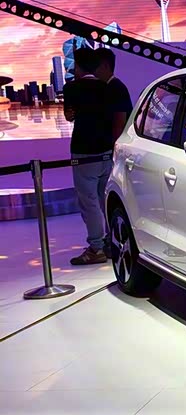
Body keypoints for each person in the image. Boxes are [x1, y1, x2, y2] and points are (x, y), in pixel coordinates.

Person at [63, 48, 114, 265]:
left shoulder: (71, 88)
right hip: (106, 150)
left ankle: (96, 247)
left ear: (78, 66)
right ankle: (112, 242)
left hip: (84, 151)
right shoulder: (107, 87)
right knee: (105, 199)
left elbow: (69, 115)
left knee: (89, 202)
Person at [96, 47, 132, 141]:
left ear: (105, 66)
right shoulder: (108, 87)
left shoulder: (117, 88)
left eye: (94, 66)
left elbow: (119, 124)